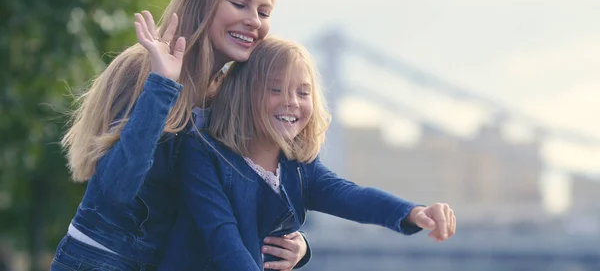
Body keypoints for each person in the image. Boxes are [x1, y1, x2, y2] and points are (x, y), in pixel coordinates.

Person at [51, 0, 310, 271]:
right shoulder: (143, 68)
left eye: (264, 11)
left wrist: (295, 244)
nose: (254, 20)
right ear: (204, 2)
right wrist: (161, 86)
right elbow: (116, 189)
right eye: (239, 4)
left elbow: (232, 202)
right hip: (101, 260)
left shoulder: (228, 95)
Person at [159, 36, 457, 270]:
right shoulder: (204, 153)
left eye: (303, 92)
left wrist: (414, 213)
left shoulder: (299, 168)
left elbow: (351, 196)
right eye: (275, 90)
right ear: (243, 94)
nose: (291, 102)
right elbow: (223, 238)